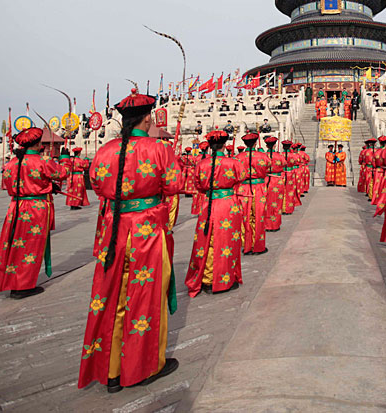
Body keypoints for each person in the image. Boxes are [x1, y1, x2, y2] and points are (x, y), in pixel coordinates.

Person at [78, 88, 185, 393]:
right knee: (145, 295)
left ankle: (110, 370)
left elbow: (97, 185)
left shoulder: (105, 150)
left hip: (113, 228)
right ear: (148, 118)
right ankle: (143, 365)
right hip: (146, 229)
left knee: (111, 296)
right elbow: (176, 184)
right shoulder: (158, 148)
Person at [0, 127, 69, 298]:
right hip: (36, 208)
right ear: (37, 144)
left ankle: (13, 281)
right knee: (31, 246)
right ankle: (24, 285)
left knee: (14, 244)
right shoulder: (42, 161)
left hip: (16, 206)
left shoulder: (12, 163)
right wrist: (64, 159)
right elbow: (63, 173)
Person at [185, 130, 247, 297]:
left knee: (207, 239)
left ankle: (207, 278)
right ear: (225, 145)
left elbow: (197, 185)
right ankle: (225, 277)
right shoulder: (233, 162)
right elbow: (241, 177)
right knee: (228, 240)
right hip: (228, 204)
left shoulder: (201, 164)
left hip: (209, 203)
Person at [236, 132, 270, 256]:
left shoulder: (238, 158)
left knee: (245, 217)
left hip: (243, 188)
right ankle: (258, 246)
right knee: (259, 216)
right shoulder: (262, 156)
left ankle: (246, 245)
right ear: (256, 143)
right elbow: (268, 166)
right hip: (259, 188)